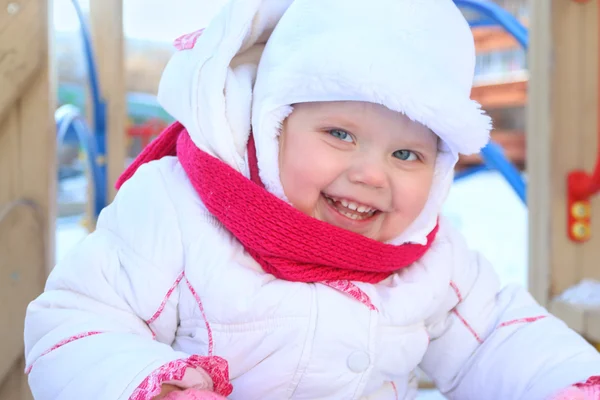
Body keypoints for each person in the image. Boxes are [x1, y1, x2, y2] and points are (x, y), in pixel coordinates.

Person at [24, 0, 600, 399]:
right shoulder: (178, 207)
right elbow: (79, 322)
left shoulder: (429, 254)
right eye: (340, 135)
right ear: (275, 124)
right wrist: (160, 389)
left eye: (407, 155)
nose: (372, 174)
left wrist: (568, 382)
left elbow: (495, 337)